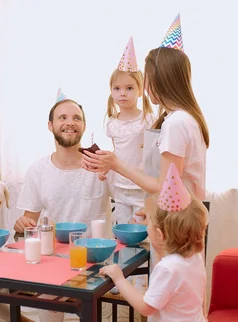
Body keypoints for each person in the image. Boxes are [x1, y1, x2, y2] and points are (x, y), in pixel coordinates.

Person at [83, 15, 210, 220]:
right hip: (186, 218)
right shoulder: (185, 118)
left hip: (178, 222)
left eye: (147, 78)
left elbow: (164, 186)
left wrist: (116, 164)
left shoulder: (176, 123)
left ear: (160, 80)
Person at [14, 92, 110, 322]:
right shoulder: (38, 170)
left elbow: (129, 197)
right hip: (54, 253)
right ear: (50, 126)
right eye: (63, 118)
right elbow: (29, 219)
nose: (70, 122)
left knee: (52, 290)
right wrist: (23, 223)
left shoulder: (100, 164)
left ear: (84, 126)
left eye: (76, 118)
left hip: (95, 256)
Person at [99, 163, 209, 322]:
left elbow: (146, 307)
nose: (145, 225)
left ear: (159, 234)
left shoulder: (168, 268)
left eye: (147, 221)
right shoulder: (195, 257)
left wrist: (119, 278)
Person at [103, 37, 154, 225]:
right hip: (120, 187)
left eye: (129, 88)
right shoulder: (112, 124)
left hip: (141, 186)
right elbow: (117, 152)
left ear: (140, 90)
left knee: (142, 231)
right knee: (122, 232)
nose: (122, 93)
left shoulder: (147, 119)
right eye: (117, 88)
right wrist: (104, 168)